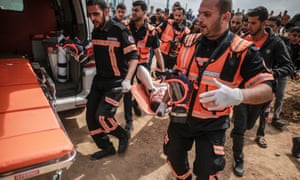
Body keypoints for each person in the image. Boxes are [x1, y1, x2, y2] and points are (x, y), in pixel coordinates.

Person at [162, 0, 274, 179]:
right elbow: (178, 76)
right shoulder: (189, 41)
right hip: (180, 118)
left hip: (212, 125)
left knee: (208, 171)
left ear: (225, 17)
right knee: (173, 157)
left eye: (207, 15)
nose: (199, 19)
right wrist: (164, 100)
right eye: (199, 13)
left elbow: (268, 89)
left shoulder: (242, 50)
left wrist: (238, 95)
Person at [231, 6, 294, 177]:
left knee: (250, 124)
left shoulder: (276, 43)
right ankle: (238, 157)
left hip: (261, 94)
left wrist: (272, 73)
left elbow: (289, 66)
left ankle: (241, 131)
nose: (248, 26)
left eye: (253, 23)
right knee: (240, 126)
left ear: (264, 23)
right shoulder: (243, 38)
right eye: (247, 22)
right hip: (242, 91)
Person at [86, 0, 139, 160]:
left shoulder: (120, 31)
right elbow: (97, 53)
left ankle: (123, 136)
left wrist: (128, 80)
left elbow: (134, 57)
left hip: (116, 82)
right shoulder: (95, 32)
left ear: (106, 12)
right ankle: (107, 147)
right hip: (99, 80)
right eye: (90, 15)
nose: (92, 18)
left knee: (103, 116)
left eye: (96, 14)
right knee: (90, 118)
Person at [129, 0, 165, 113]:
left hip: (142, 64)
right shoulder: (126, 28)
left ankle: (136, 103)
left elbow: (157, 52)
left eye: (136, 10)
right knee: (125, 89)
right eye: (133, 10)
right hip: (127, 64)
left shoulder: (151, 32)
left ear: (144, 12)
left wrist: (162, 70)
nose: (133, 12)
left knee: (145, 88)